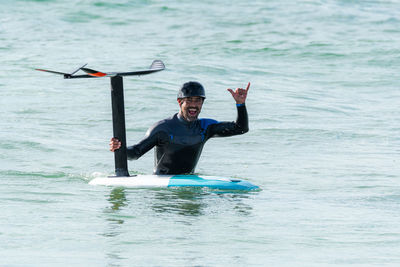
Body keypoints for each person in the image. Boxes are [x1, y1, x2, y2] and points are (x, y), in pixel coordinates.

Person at [110, 81, 250, 175]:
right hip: (163, 187)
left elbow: (240, 128)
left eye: (198, 101)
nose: (194, 105)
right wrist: (120, 147)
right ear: (180, 102)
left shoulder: (206, 127)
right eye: (189, 100)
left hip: (189, 183)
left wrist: (240, 105)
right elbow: (135, 153)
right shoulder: (163, 129)